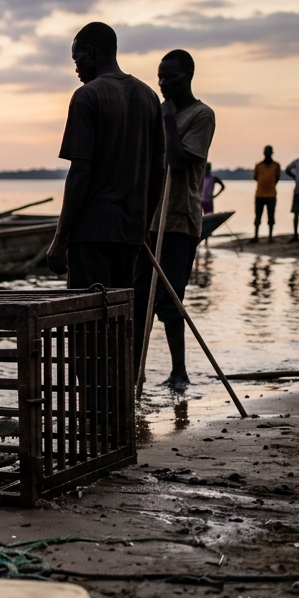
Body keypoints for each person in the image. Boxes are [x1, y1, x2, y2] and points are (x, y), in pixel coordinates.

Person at [46, 22, 164, 291]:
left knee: (88, 323)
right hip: (130, 232)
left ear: (91, 51)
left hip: (92, 233)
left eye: (77, 59)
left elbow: (80, 172)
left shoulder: (87, 96)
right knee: (119, 318)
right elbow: (158, 171)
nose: (76, 68)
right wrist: (144, 225)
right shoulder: (149, 97)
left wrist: (60, 237)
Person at [131, 49, 215, 390]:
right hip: (149, 221)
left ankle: (179, 371)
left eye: (172, 77)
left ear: (189, 76)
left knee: (170, 299)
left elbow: (179, 162)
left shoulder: (201, 115)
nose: (164, 83)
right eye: (160, 77)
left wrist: (166, 118)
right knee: (138, 300)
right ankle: (134, 373)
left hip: (179, 221)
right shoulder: (158, 114)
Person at [252, 146, 279, 242]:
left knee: (271, 217)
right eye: (266, 152)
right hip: (259, 195)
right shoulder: (259, 166)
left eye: (269, 152)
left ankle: (270, 237)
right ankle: (256, 236)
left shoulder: (276, 166)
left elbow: (277, 178)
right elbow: (256, 177)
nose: (267, 154)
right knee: (257, 216)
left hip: (271, 195)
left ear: (272, 153)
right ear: (264, 153)